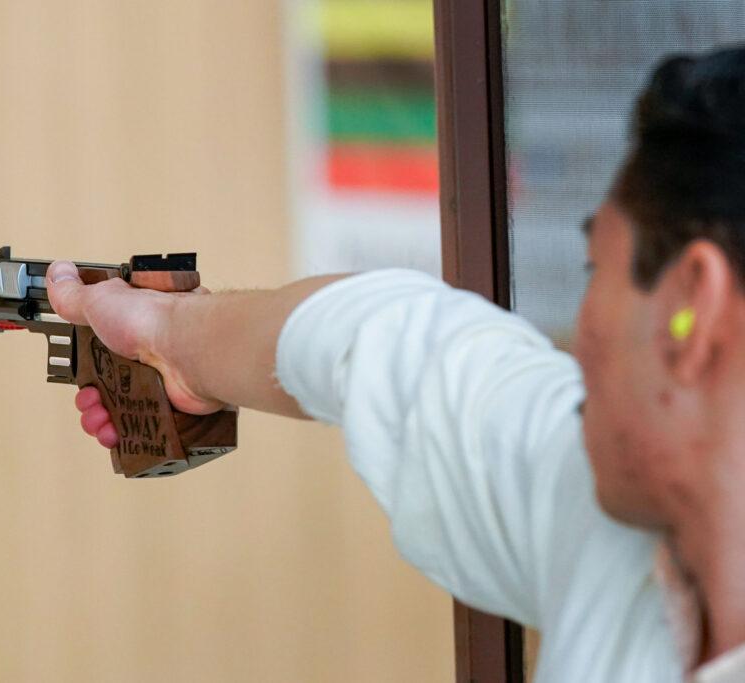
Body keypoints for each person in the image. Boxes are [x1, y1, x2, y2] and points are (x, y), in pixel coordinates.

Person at [44, 47, 745, 681]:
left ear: (694, 307)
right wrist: (169, 333)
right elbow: (381, 340)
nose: (582, 332)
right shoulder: (617, 522)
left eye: (598, 271)